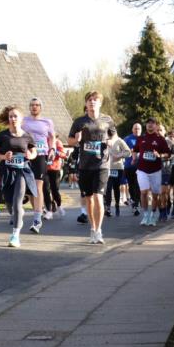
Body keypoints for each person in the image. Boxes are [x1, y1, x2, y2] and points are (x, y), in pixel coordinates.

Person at [68, 91, 115, 244]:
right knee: (89, 199)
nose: (92, 102)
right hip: (85, 165)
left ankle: (99, 230)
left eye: (95, 100)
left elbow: (114, 135)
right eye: (89, 100)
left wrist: (111, 141)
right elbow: (69, 141)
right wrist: (77, 139)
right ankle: (93, 229)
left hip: (102, 163)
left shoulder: (107, 119)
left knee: (98, 197)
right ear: (86, 104)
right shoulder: (79, 122)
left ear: (100, 103)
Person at [0, 106, 38, 248]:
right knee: (10, 203)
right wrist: (3, 157)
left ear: (21, 119)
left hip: (22, 171)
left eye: (15, 116)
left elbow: (34, 152)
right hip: (7, 171)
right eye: (11, 116)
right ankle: (16, 214)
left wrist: (31, 155)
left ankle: (15, 235)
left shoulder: (27, 136)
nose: (13, 119)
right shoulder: (3, 135)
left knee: (18, 202)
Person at [21, 97, 55, 233]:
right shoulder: (24, 121)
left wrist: (52, 149)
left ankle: (37, 219)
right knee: (29, 188)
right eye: (32, 105)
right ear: (29, 107)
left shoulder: (47, 122)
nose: (34, 107)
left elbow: (52, 137)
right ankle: (38, 210)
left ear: (41, 107)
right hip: (27, 155)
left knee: (38, 185)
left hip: (41, 155)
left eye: (37, 105)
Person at [132, 118, 171, 227]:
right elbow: (134, 150)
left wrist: (160, 155)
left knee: (155, 195)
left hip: (156, 171)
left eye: (152, 123)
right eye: (148, 123)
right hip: (142, 170)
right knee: (143, 192)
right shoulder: (141, 138)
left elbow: (168, 154)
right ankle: (145, 215)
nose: (150, 125)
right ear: (146, 125)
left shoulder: (160, 139)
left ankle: (152, 215)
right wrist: (134, 158)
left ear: (155, 126)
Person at [104, 127, 131, 218]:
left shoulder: (120, 141)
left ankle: (117, 205)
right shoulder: (105, 140)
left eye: (112, 133)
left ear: (115, 133)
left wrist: (119, 156)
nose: (111, 135)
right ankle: (107, 207)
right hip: (106, 168)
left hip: (117, 168)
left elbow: (128, 152)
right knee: (108, 187)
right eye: (109, 133)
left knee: (116, 188)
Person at [123, 122, 142, 215]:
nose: (137, 130)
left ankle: (136, 203)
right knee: (131, 185)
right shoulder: (127, 139)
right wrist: (129, 151)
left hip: (141, 166)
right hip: (129, 166)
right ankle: (134, 201)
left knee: (138, 185)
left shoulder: (143, 139)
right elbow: (121, 149)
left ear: (141, 130)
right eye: (135, 128)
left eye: (138, 128)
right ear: (132, 129)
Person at [45, 132, 65, 218]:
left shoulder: (58, 142)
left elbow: (63, 155)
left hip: (55, 169)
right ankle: (49, 210)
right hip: (44, 169)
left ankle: (59, 205)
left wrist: (56, 152)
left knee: (54, 190)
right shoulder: (44, 141)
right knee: (45, 190)